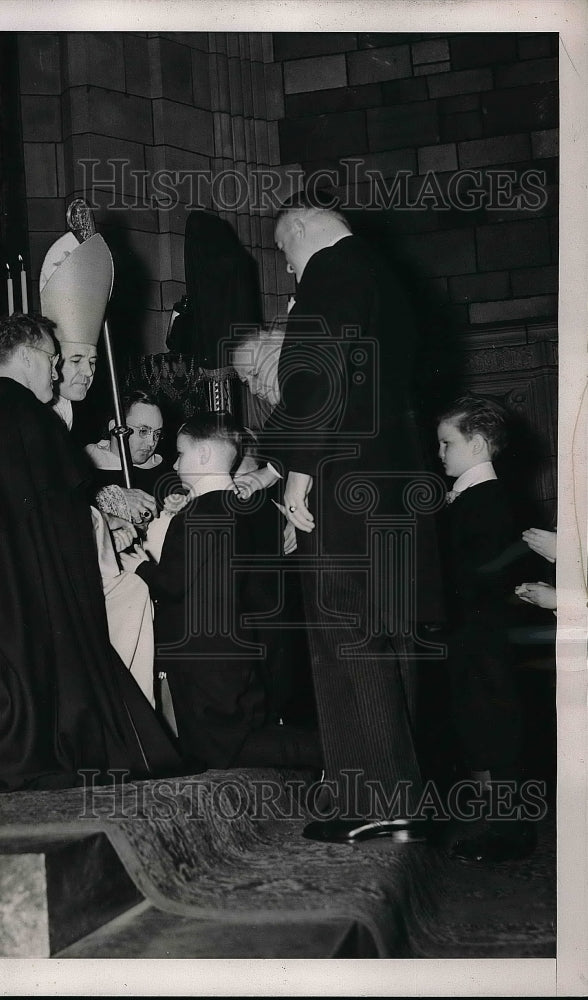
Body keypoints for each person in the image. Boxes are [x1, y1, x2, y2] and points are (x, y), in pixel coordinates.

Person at [232, 191, 444, 843]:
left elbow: (318, 379)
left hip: (341, 486)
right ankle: (398, 791)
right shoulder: (385, 277)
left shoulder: (330, 270)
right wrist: (273, 466)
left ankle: (378, 797)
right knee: (380, 638)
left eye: (283, 253)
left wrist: (294, 472)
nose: (288, 269)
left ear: (300, 229)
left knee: (341, 639)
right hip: (391, 487)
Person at [0, 312, 185, 791]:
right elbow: (61, 524)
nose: (57, 373)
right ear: (24, 357)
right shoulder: (24, 414)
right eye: (53, 360)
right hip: (11, 591)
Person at [121, 411, 322, 770]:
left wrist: (140, 566)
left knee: (224, 745)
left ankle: (329, 753)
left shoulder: (199, 513)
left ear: (202, 456)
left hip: (204, 655)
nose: (175, 461)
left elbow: (173, 581)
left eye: (180, 453)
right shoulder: (229, 508)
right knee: (231, 740)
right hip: (226, 650)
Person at [436, 395, 535, 862]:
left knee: (492, 730)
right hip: (471, 634)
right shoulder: (471, 496)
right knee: (475, 727)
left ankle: (507, 831)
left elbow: (482, 573)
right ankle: (490, 824)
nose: (440, 453)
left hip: (484, 635)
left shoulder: (487, 499)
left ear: (476, 444)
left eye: (446, 443)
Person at [85, 389, 169, 524]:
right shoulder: (84, 467)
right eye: (143, 431)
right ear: (115, 427)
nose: (152, 442)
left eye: (157, 434)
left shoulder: (166, 474)